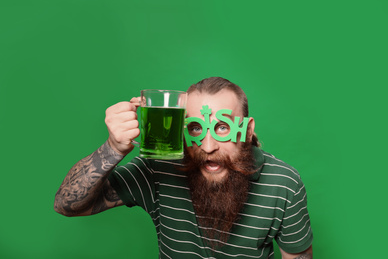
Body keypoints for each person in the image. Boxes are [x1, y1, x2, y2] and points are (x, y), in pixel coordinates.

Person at [54, 77, 313, 258]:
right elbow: (67, 205)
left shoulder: (283, 182)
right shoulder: (159, 170)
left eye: (222, 127)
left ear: (246, 130)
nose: (208, 146)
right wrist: (112, 149)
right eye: (196, 128)